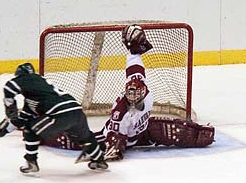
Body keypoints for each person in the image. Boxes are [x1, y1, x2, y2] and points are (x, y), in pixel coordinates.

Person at [40, 24, 215, 161]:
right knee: (78, 142)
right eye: (129, 94)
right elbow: (116, 134)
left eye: (134, 94)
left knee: (177, 130)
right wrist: (115, 148)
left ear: (142, 91)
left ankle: (203, 133)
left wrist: (133, 48)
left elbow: (134, 65)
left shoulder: (141, 84)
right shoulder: (121, 112)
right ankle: (41, 132)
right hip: (121, 137)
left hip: (143, 131)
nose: (131, 97)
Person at [0, 62, 108, 173]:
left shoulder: (27, 79)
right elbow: (21, 119)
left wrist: (10, 108)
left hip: (59, 114)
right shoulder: (37, 95)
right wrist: (4, 130)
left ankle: (31, 162)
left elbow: (10, 87)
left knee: (30, 129)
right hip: (76, 111)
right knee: (85, 137)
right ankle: (99, 161)